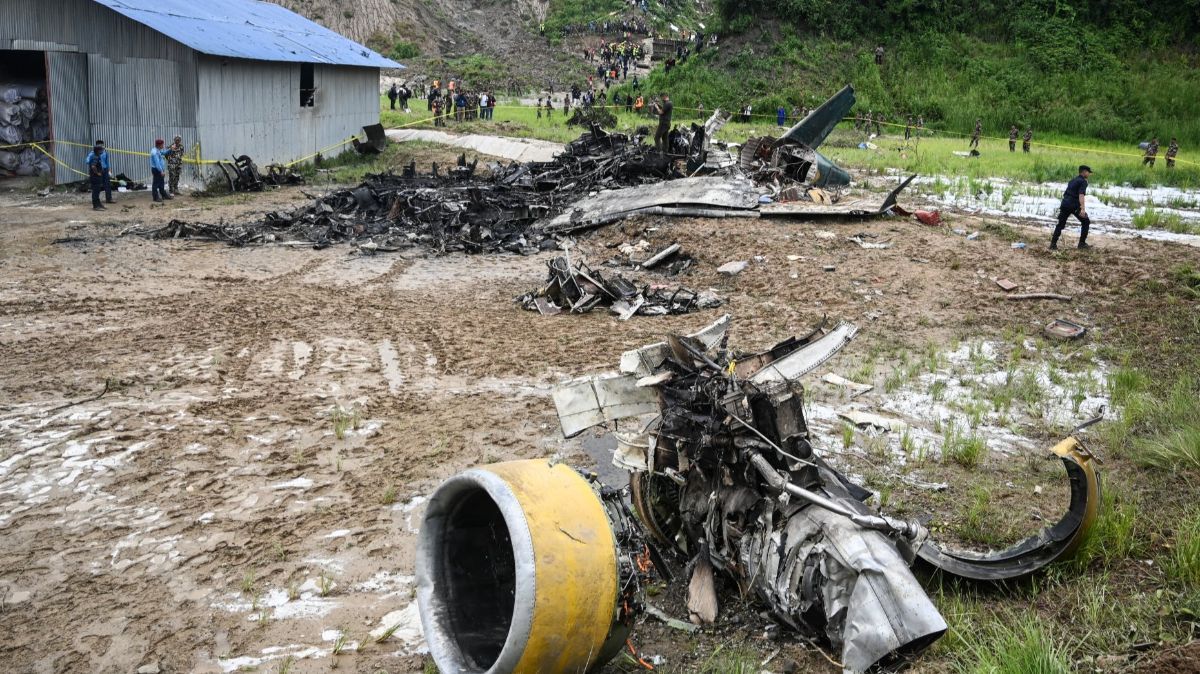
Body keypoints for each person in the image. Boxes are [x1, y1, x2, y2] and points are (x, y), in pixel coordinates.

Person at [1051, 165, 1092, 250]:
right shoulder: (1083, 181)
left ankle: (1053, 244)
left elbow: (1066, 193)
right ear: (1084, 172)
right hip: (1073, 205)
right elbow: (1081, 195)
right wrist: (1083, 209)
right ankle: (1082, 244)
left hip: (1065, 203)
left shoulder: (1073, 180)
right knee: (1086, 221)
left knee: (1060, 224)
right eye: (1088, 172)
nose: (1089, 174)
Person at [84, 140, 114, 204]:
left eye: (103, 146)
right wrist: (95, 167)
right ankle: (96, 202)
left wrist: (108, 169)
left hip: (105, 170)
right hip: (98, 171)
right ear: (97, 146)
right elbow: (87, 161)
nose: (102, 147)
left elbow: (106, 162)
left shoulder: (105, 153)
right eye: (101, 146)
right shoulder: (92, 154)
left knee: (107, 185)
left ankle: (109, 199)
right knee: (97, 187)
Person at [149, 138, 171, 202]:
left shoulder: (158, 150)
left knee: (161, 183)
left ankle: (163, 195)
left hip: (159, 169)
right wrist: (161, 171)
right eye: (162, 145)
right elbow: (157, 163)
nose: (163, 146)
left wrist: (171, 149)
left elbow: (164, 152)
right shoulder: (155, 152)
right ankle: (155, 197)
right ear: (159, 145)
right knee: (155, 184)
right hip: (157, 169)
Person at [87, 143, 105, 210]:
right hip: (95, 177)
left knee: (98, 191)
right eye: (101, 150)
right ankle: (96, 206)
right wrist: (97, 173)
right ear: (98, 151)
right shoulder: (95, 157)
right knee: (95, 191)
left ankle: (99, 204)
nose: (102, 151)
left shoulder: (97, 156)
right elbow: (93, 166)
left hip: (97, 177)